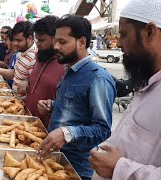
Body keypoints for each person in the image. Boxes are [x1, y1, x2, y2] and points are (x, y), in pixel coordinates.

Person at [36, 15, 116, 179]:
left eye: (62, 42)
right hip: (55, 160)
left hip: (77, 168)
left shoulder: (98, 78)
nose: (56, 46)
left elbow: (102, 130)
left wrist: (67, 133)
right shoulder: (69, 71)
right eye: (55, 41)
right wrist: (52, 105)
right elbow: (74, 109)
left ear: (81, 42)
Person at [89, 0, 161, 179]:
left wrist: (120, 169)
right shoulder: (149, 82)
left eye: (123, 34)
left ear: (150, 32)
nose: (119, 43)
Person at [25, 16, 65, 128]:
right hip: (29, 123)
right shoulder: (40, 57)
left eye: (42, 40)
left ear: (55, 38)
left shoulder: (64, 64)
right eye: (37, 39)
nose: (38, 44)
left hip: (48, 130)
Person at [11, 21, 38, 98]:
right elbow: (16, 73)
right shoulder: (21, 51)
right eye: (14, 40)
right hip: (14, 97)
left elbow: (32, 86)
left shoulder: (34, 57)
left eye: (19, 40)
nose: (15, 43)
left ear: (29, 38)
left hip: (21, 104)